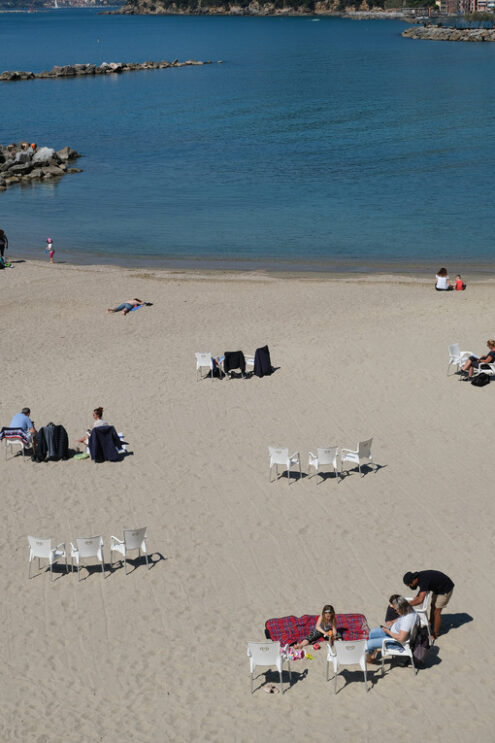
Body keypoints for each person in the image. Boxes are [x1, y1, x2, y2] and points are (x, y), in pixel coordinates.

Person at [403, 570, 454, 640]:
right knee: (433, 606)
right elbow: (419, 596)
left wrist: (405, 605)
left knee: (437, 611)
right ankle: (431, 623)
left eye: (410, 584)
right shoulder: (419, 578)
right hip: (438, 588)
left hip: (445, 589)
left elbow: (420, 600)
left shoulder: (423, 580)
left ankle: (435, 634)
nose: (410, 586)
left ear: (414, 579)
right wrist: (413, 601)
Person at [366, 596, 418, 661]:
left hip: (397, 642)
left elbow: (401, 639)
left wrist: (388, 632)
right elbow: (401, 619)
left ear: (401, 608)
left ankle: (370, 659)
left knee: (369, 644)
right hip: (392, 632)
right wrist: (392, 622)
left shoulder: (407, 620)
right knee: (372, 633)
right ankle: (372, 651)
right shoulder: (410, 610)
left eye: (396, 610)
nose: (395, 612)